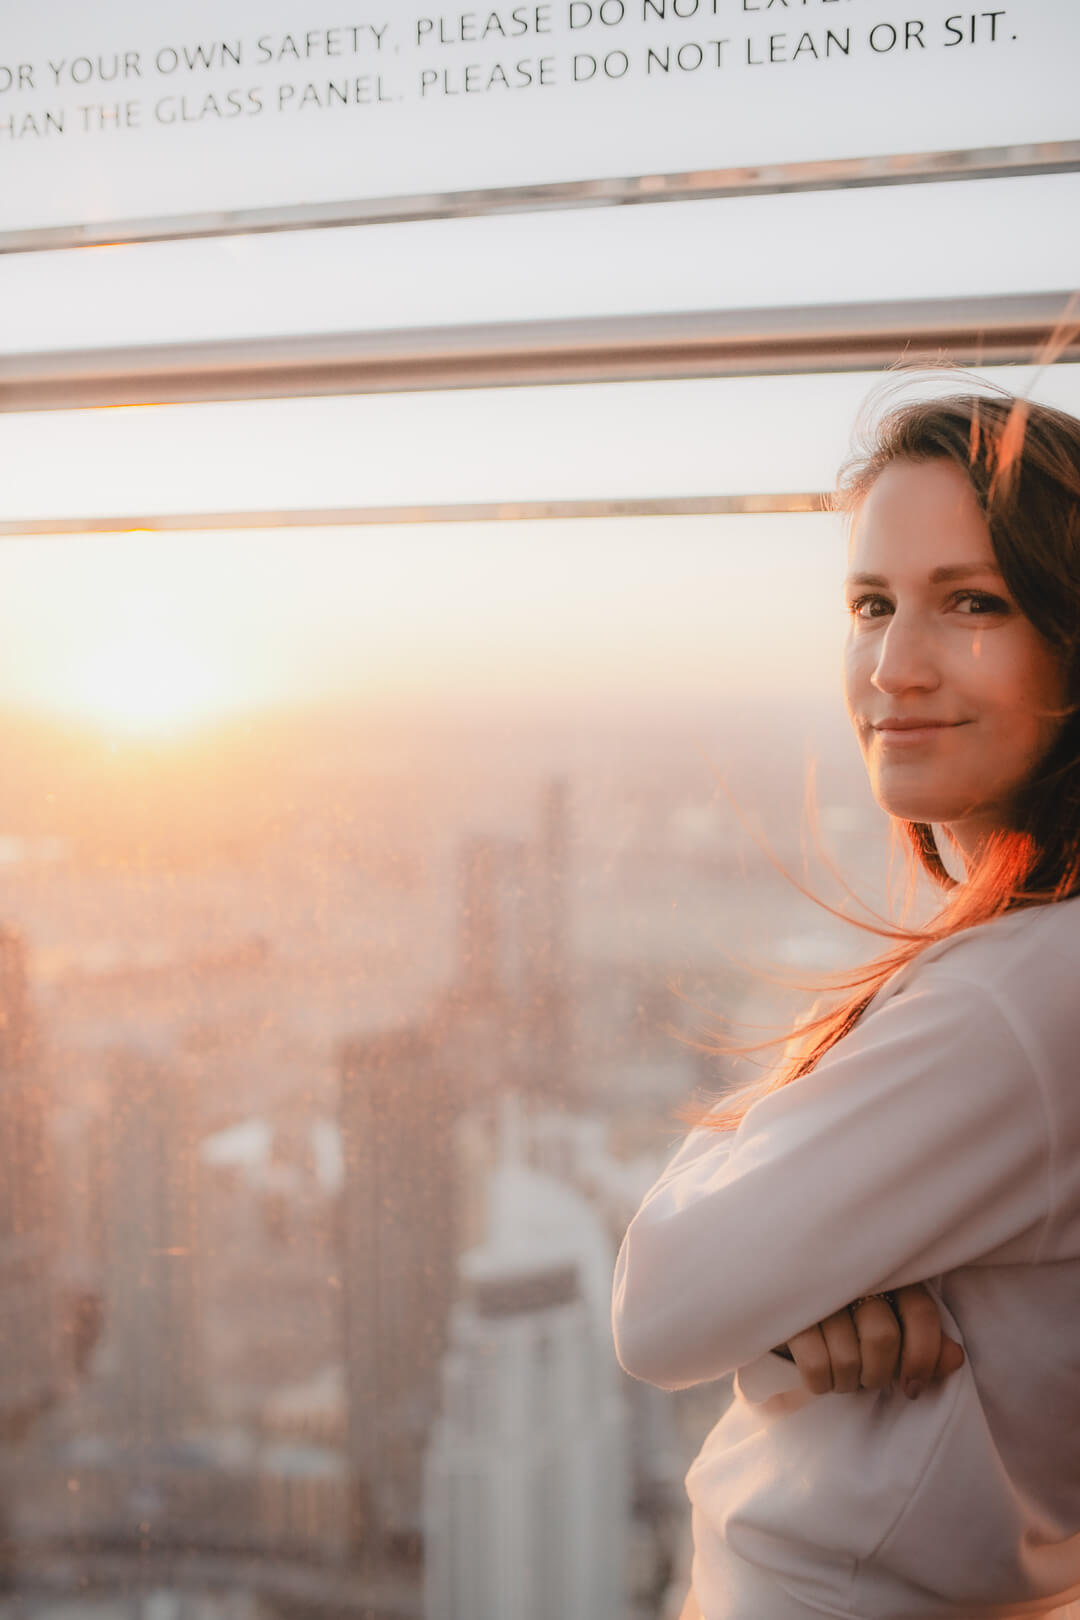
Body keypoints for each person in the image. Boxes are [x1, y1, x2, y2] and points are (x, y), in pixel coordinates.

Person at [611, 387, 1080, 1619]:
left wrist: (774, 1287)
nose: (893, 666)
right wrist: (803, 1308)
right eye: (872, 605)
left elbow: (658, 1304)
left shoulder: (1021, 995)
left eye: (973, 602)